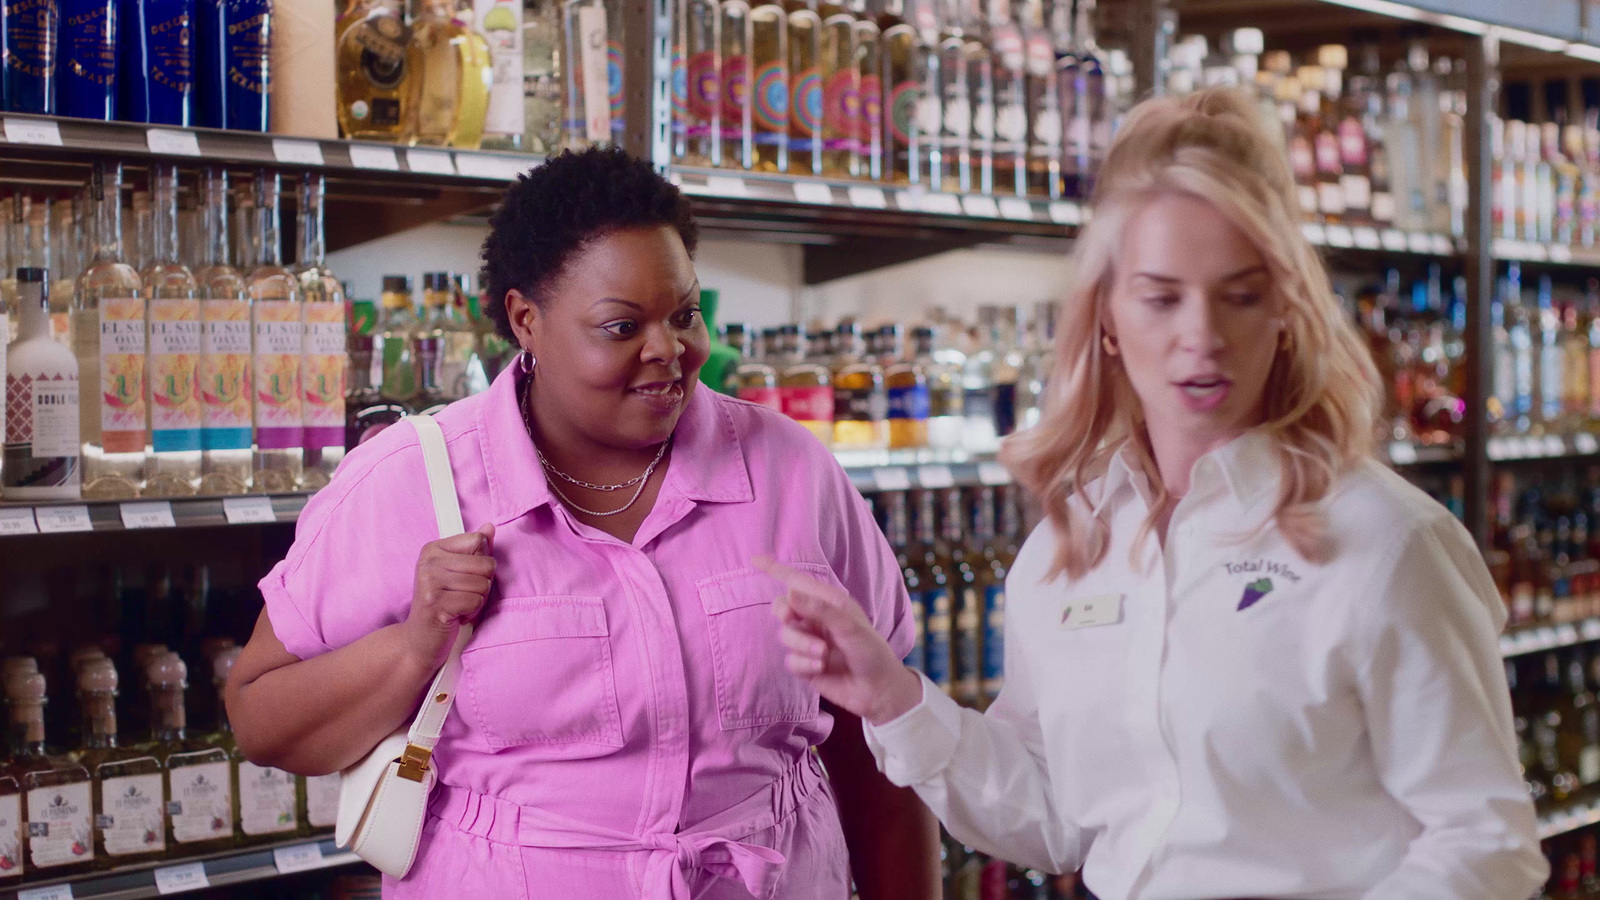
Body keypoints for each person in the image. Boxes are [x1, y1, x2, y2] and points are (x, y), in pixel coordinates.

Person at [760, 88, 1549, 900]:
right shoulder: (1071, 550)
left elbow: (1486, 844)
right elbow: (1054, 818)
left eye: (1239, 294)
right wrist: (891, 696)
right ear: (1106, 314)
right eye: (1162, 296)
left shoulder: (1385, 541)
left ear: (1285, 307)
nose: (1200, 335)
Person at [223, 147, 939, 899]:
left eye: (684, 315)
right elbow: (262, 720)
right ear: (526, 320)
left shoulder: (789, 470)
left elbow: (884, 731)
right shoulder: (415, 480)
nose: (667, 351)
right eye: (622, 326)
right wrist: (414, 645)